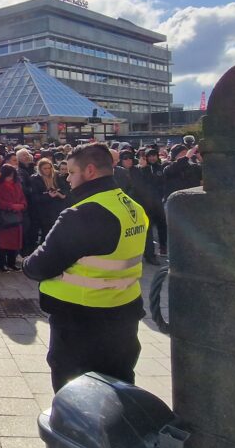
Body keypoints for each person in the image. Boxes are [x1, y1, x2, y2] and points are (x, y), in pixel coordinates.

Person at [21, 143, 148, 392]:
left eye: (70, 172)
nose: (67, 179)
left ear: (89, 171)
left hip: (81, 319)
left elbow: (38, 266)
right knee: (119, 387)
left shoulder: (83, 214)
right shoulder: (131, 206)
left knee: (75, 397)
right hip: (123, 313)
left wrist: (26, 262)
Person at [0, 164, 27, 272]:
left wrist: (21, 205)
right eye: (8, 176)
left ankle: (12, 263)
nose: (10, 178)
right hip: (5, 217)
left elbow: (22, 198)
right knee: (3, 242)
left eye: (12, 175)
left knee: (15, 241)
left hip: (16, 216)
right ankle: (2, 264)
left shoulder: (17, 184)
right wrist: (11, 206)